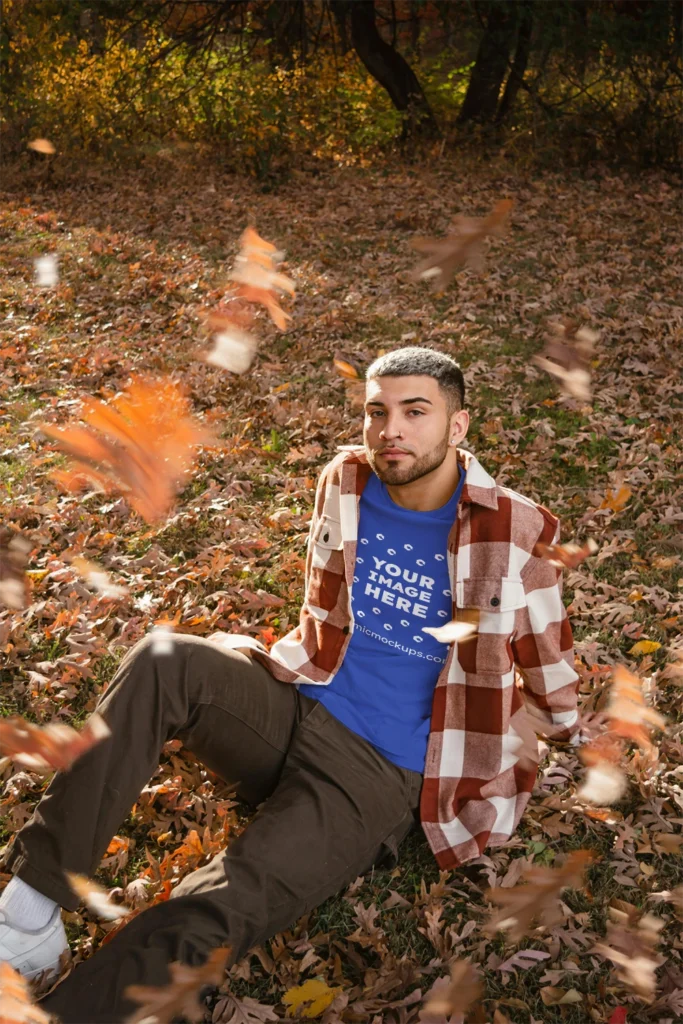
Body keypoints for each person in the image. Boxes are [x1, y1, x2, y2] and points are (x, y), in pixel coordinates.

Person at [0, 347, 579, 1022]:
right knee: (164, 658)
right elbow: (323, 613)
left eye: (414, 412)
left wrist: (490, 762)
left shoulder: (513, 530)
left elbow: (554, 689)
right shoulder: (347, 479)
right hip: (297, 701)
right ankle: (29, 914)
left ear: (457, 427)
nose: (390, 429)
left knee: (219, 900)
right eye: (376, 411)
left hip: (375, 772)